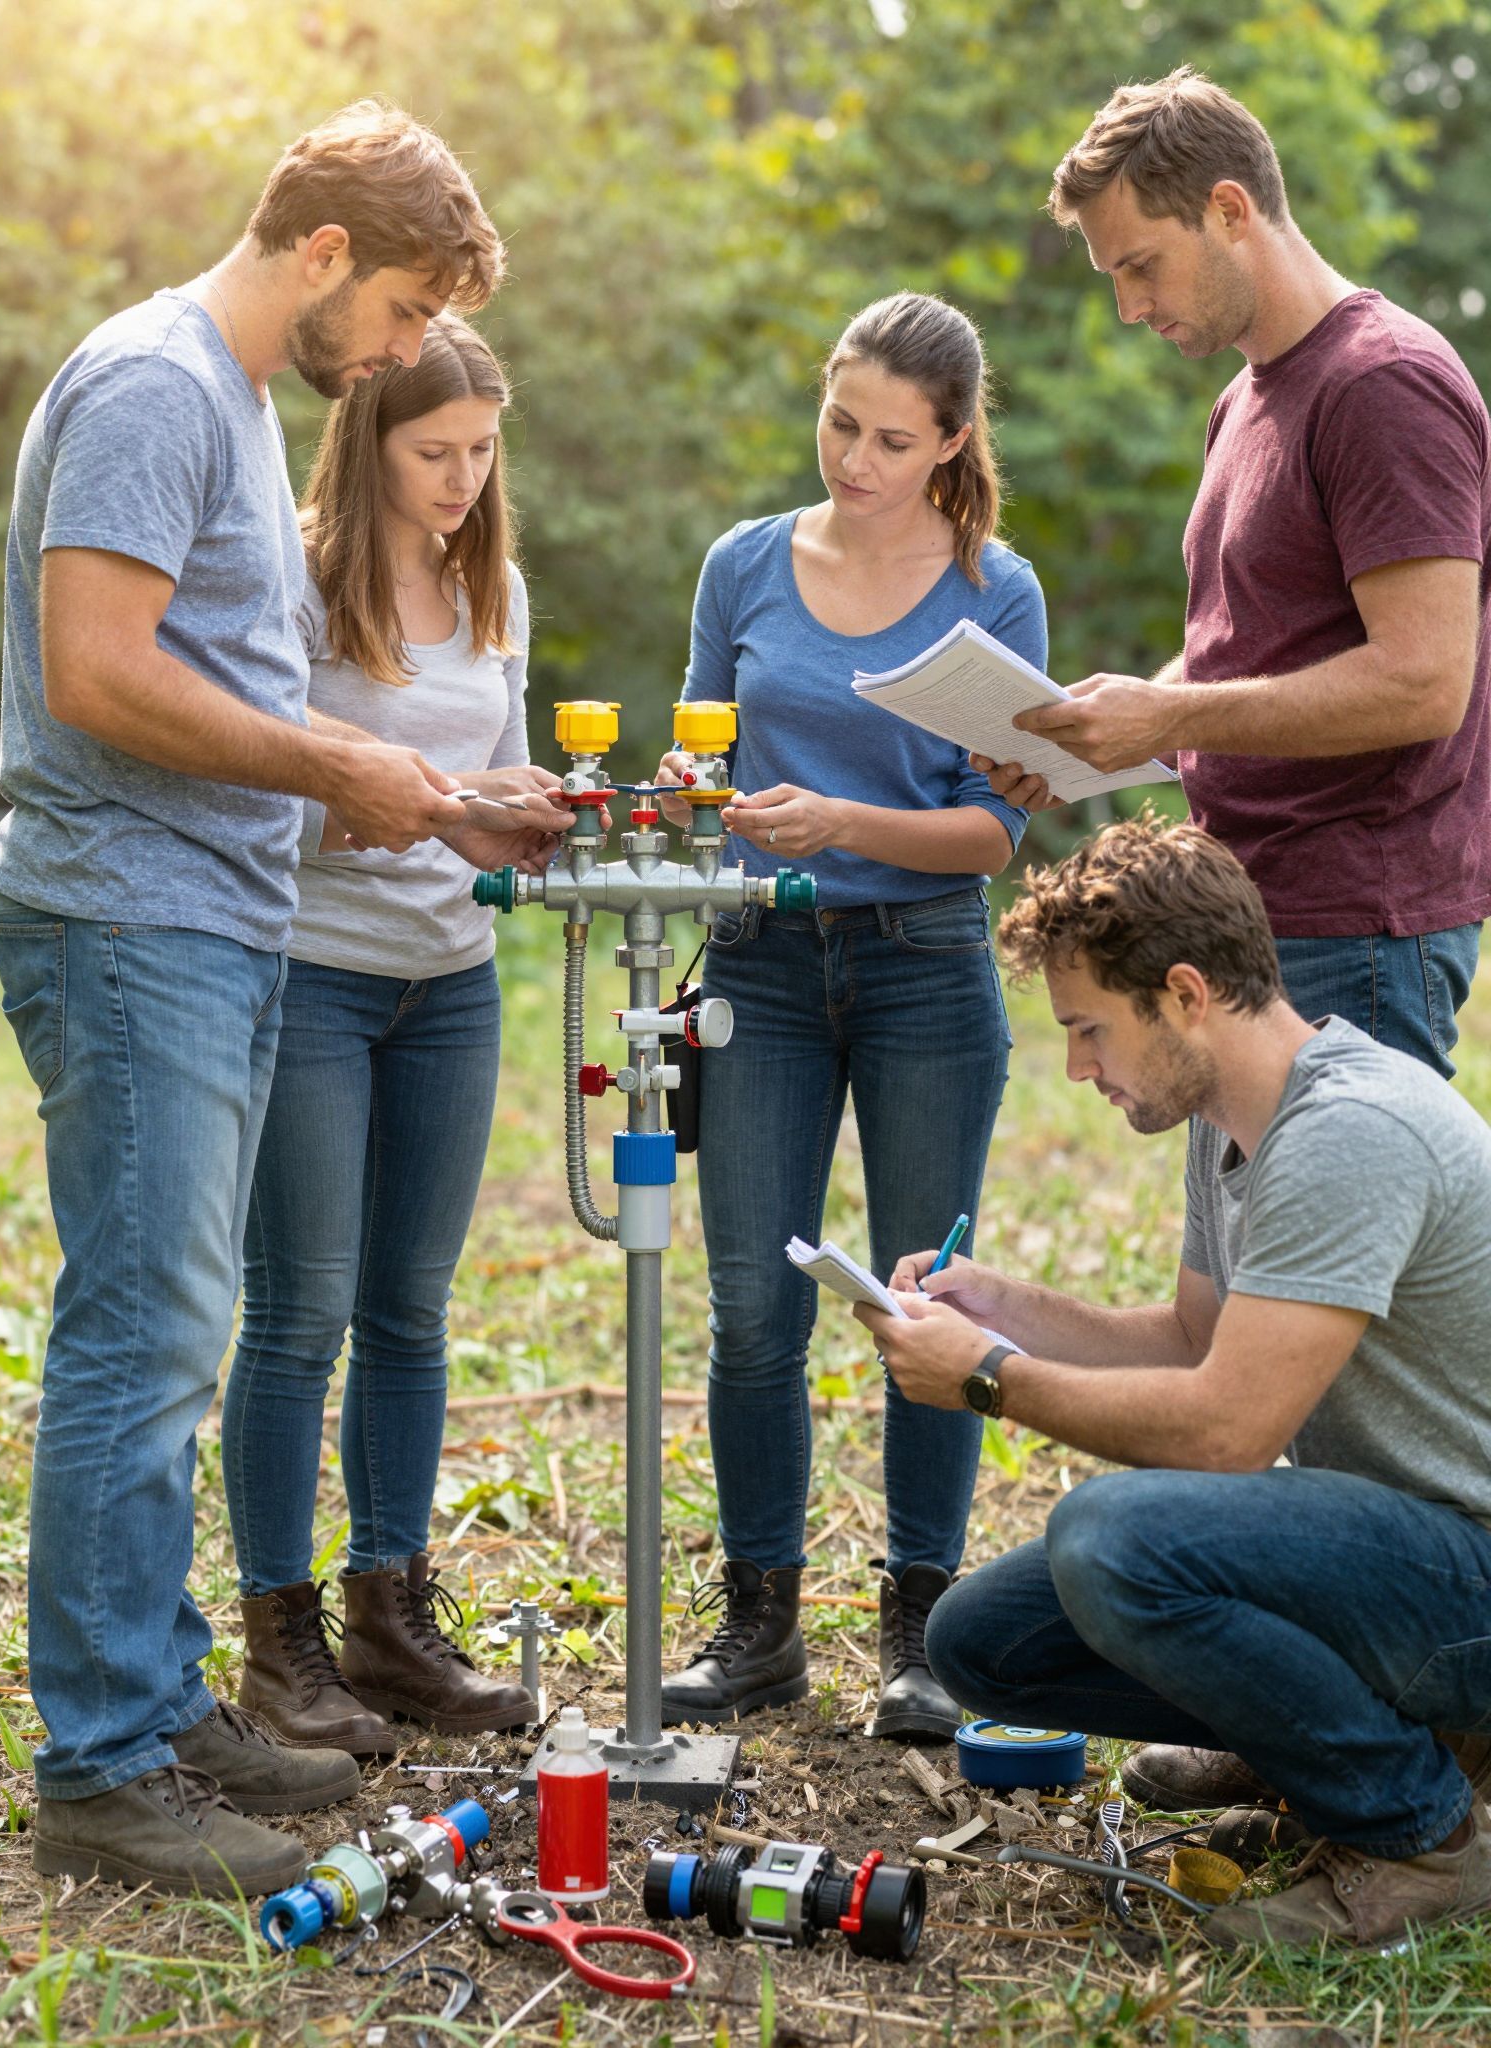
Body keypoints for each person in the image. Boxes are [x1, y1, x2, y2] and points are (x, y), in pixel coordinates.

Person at [0, 102, 560, 1898]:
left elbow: (207, 664)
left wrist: (417, 790)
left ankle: (156, 1699)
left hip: (214, 920)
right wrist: (331, 769)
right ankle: (101, 1759)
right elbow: (91, 670)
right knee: (140, 1335)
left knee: (176, 1329)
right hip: (132, 916)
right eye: (394, 312)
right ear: (322, 252)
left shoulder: (225, 399)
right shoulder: (160, 385)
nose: (392, 357)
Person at [859, 813, 1491, 1949]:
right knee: (978, 1642)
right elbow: (1197, 1335)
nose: (1079, 1066)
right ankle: (1320, 1743)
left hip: (1472, 1572)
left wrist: (992, 1379)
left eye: (1091, 1028)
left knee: (1114, 1537)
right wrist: (1000, 1306)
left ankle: (1421, 1832)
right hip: (1407, 1553)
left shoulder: (1350, 1128)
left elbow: (1226, 1431)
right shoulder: (1230, 1115)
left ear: (1186, 994)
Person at [653, 293, 1047, 1739]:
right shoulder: (745, 564)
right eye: (839, 422)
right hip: (756, 958)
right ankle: (758, 1627)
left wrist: (842, 817)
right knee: (755, 1307)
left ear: (950, 443)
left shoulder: (995, 589)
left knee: (917, 1298)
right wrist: (717, 811)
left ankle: (926, 1635)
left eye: (893, 438)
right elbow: (696, 757)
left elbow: (995, 838)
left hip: (925, 968)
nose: (856, 459)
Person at [980, 68, 1491, 1080]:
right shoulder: (1244, 402)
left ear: (1229, 210)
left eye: (1141, 266)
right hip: (1245, 915)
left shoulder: (1384, 385)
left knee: (1331, 1234)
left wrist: (1167, 720)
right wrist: (1089, 742)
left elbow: (1427, 682)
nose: (1129, 307)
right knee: (1245, 1243)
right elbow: (1248, 652)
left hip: (1356, 933)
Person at [221, 315, 568, 1754]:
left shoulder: (496, 588)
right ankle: (277, 1641)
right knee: (300, 1312)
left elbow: (483, 783)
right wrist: (411, 804)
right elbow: (246, 789)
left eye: (484, 453)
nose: (463, 480)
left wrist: (523, 816)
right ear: (369, 439)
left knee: (411, 1313)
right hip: (314, 976)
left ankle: (391, 1614)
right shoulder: (293, 581)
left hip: (452, 981)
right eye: (437, 452)